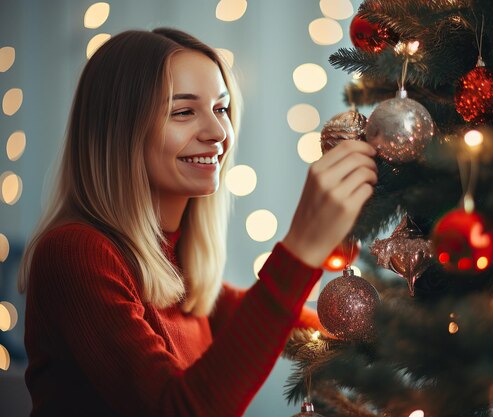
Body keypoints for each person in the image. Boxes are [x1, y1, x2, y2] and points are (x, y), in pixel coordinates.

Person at [16, 28, 377, 417]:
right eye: (183, 111)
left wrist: (384, 329)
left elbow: (276, 314)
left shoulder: (179, 271)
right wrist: (301, 248)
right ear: (120, 131)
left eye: (221, 109)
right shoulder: (75, 254)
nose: (218, 133)